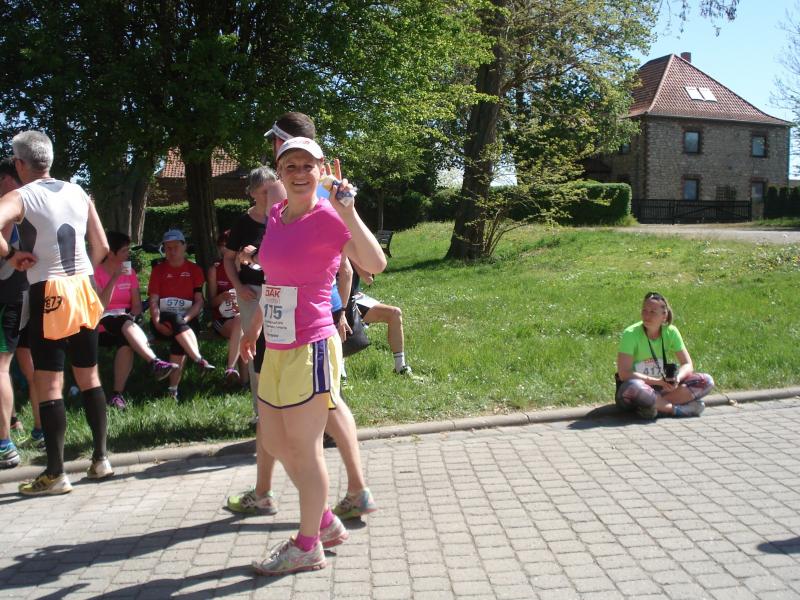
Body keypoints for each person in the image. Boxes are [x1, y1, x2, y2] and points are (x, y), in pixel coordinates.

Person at [240, 136, 386, 576]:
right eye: (291, 166)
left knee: (304, 448)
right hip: (277, 343)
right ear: (279, 173)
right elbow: (275, 280)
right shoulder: (278, 214)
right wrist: (255, 325)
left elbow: (374, 263)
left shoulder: (329, 215)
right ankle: (323, 520)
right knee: (273, 440)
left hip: (312, 345)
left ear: (322, 170)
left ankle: (307, 546)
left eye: (308, 165)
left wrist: (348, 211)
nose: (300, 173)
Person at [0, 131, 112, 495]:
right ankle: (101, 459)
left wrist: (11, 255)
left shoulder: (21, 196)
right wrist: (83, 271)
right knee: (89, 376)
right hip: (83, 287)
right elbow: (102, 246)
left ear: (20, 164)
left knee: (50, 383)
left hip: (48, 289)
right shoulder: (78, 191)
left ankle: (55, 473)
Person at [95, 231, 178, 409]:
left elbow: (137, 306)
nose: (128, 254)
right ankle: (154, 362)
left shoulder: (130, 272)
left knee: (126, 341)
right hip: (102, 322)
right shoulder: (96, 273)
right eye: (124, 250)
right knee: (123, 322)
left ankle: (116, 395)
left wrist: (132, 316)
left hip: (126, 322)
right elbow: (100, 305)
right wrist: (115, 278)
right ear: (111, 253)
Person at [616, 291, 714, 419]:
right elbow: (624, 374)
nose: (646, 315)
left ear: (664, 316)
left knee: (706, 381)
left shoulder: (671, 332)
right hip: (636, 391)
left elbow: (687, 364)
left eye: (652, 312)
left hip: (662, 389)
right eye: (644, 310)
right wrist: (658, 381)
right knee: (635, 386)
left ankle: (654, 407)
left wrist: (677, 378)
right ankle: (676, 410)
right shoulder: (630, 334)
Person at [148, 229, 214, 400]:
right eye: (168, 248)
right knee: (176, 322)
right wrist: (156, 322)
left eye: (176, 247)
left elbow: (199, 301)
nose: (172, 251)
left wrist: (184, 319)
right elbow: (153, 301)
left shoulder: (195, 270)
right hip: (163, 320)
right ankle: (199, 360)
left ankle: (173, 390)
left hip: (187, 319)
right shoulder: (158, 270)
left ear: (184, 247)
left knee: (179, 334)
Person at [0, 157, 28, 469]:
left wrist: (9, 256)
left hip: (8, 297)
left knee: (1, 368)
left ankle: (5, 445)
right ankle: (24, 425)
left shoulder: (11, 207)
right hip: (20, 295)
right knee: (27, 363)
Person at [351, 262, 413, 375]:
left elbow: (369, 277)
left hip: (354, 297)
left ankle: (400, 367)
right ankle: (340, 373)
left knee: (394, 313)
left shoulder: (350, 253)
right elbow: (368, 278)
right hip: (334, 301)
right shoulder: (345, 253)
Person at [207, 229, 247, 387]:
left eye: (228, 245)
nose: (224, 249)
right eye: (221, 246)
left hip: (244, 317)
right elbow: (211, 303)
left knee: (242, 325)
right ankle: (232, 370)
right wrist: (222, 297)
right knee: (241, 324)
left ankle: (242, 381)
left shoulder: (248, 270)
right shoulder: (215, 270)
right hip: (222, 319)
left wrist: (241, 305)